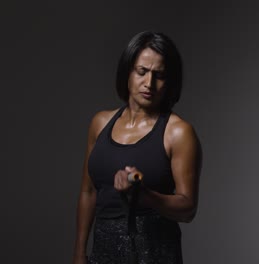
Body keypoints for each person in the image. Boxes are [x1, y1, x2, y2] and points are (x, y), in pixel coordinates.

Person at [73, 31, 202, 264]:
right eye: (142, 72)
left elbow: (188, 208)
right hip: (103, 252)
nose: (149, 83)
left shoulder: (178, 132)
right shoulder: (100, 123)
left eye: (159, 75)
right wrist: (79, 254)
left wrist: (146, 196)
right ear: (127, 72)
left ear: (169, 81)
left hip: (154, 253)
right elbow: (88, 192)